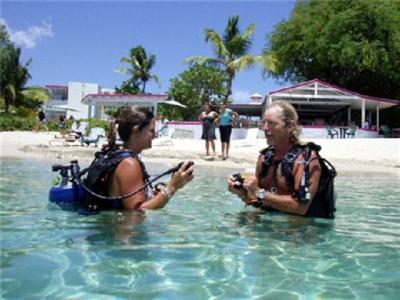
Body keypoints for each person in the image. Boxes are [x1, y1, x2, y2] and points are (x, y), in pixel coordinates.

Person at [227, 100, 334, 217]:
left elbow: (300, 207)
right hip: (271, 225)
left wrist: (258, 191)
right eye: (264, 123)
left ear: (290, 126)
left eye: (271, 123)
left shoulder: (306, 159)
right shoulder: (264, 157)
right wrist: (241, 192)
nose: (264, 128)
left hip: (300, 229)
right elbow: (257, 202)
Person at [104, 107, 194, 210]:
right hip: (122, 226)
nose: (155, 135)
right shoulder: (129, 164)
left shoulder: (116, 155)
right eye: (151, 130)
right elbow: (137, 211)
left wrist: (164, 190)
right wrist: (172, 187)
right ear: (137, 131)